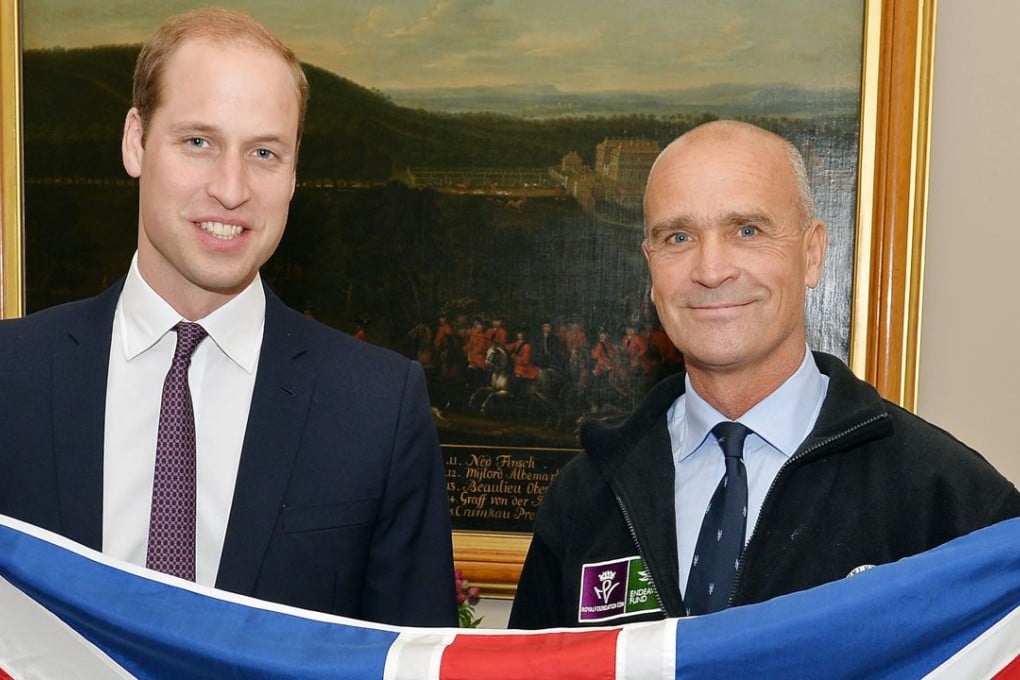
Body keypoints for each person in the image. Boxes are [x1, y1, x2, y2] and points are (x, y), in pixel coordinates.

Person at [0, 8, 457, 627]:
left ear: (294, 172)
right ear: (136, 141)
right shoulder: (12, 377)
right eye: (198, 142)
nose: (232, 187)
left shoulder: (378, 407)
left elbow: (411, 659)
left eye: (265, 152)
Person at [509, 120, 1020, 628]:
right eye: (679, 236)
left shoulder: (946, 496)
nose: (711, 270)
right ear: (650, 264)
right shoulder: (586, 497)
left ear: (813, 253)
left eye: (747, 230)